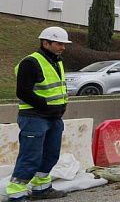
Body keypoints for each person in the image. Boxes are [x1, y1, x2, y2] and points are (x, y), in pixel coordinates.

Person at [6, 27, 72, 201]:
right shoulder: (30, 62)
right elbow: (23, 92)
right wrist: (45, 106)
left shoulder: (56, 61)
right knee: (30, 157)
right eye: (59, 43)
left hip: (54, 118)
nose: (63, 47)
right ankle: (16, 194)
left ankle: (41, 188)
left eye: (64, 44)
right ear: (45, 43)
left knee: (51, 154)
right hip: (34, 117)